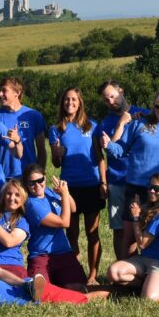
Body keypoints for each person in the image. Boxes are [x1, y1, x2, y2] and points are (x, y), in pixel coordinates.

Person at [101, 90, 159, 257]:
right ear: (153, 106)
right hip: (136, 187)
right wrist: (109, 145)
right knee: (129, 236)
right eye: (158, 106)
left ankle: (158, 272)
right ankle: (128, 279)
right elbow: (120, 149)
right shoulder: (139, 124)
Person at [49, 86, 107, 284]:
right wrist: (56, 154)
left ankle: (92, 276)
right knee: (71, 233)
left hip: (91, 185)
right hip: (69, 187)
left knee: (93, 233)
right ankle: (75, 273)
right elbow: (56, 163)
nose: (70, 103)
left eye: (74, 99)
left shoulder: (92, 126)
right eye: (66, 99)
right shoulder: (56, 129)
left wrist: (103, 182)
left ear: (80, 102)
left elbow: (100, 157)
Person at [96, 80, 149, 259]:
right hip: (117, 180)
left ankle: (146, 267)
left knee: (145, 226)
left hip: (142, 179)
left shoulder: (144, 114)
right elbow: (105, 154)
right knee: (120, 229)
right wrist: (104, 181)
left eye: (112, 96)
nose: (111, 101)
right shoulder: (105, 124)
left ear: (121, 91)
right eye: (106, 100)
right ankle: (122, 269)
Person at [105, 173, 159, 301]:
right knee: (113, 272)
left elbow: (142, 244)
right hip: (143, 260)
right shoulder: (151, 208)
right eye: (149, 187)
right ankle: (148, 283)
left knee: (149, 299)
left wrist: (136, 218)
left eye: (157, 188)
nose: (151, 191)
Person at [21, 165, 87, 292]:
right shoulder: (31, 204)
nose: (37, 185)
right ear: (26, 185)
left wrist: (65, 194)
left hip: (63, 252)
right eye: (32, 183)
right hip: (41, 255)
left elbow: (73, 208)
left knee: (78, 289)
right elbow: (64, 222)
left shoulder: (50, 193)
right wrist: (64, 194)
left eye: (40, 180)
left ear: (45, 178)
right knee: (41, 292)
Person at [0, 269, 111, 309]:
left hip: (35, 296)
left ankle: (119, 293)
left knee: (85, 299)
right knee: (82, 296)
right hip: (32, 288)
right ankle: (117, 291)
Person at [0, 76, 47, 180]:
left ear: (17, 92)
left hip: (29, 178)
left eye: (4, 91)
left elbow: (42, 150)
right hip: (3, 179)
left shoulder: (34, 116)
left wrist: (40, 176)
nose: (0, 94)